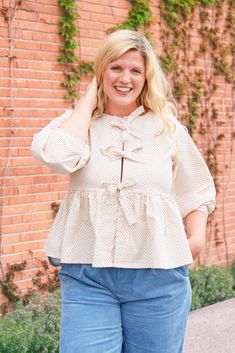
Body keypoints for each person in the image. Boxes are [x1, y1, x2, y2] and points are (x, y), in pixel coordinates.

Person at [31, 30, 216, 353]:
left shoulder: (167, 128)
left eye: (135, 70)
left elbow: (196, 190)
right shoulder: (76, 122)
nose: (125, 78)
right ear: (100, 70)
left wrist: (195, 240)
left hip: (158, 276)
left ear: (147, 77)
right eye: (115, 67)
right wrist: (89, 102)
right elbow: (59, 158)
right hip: (89, 277)